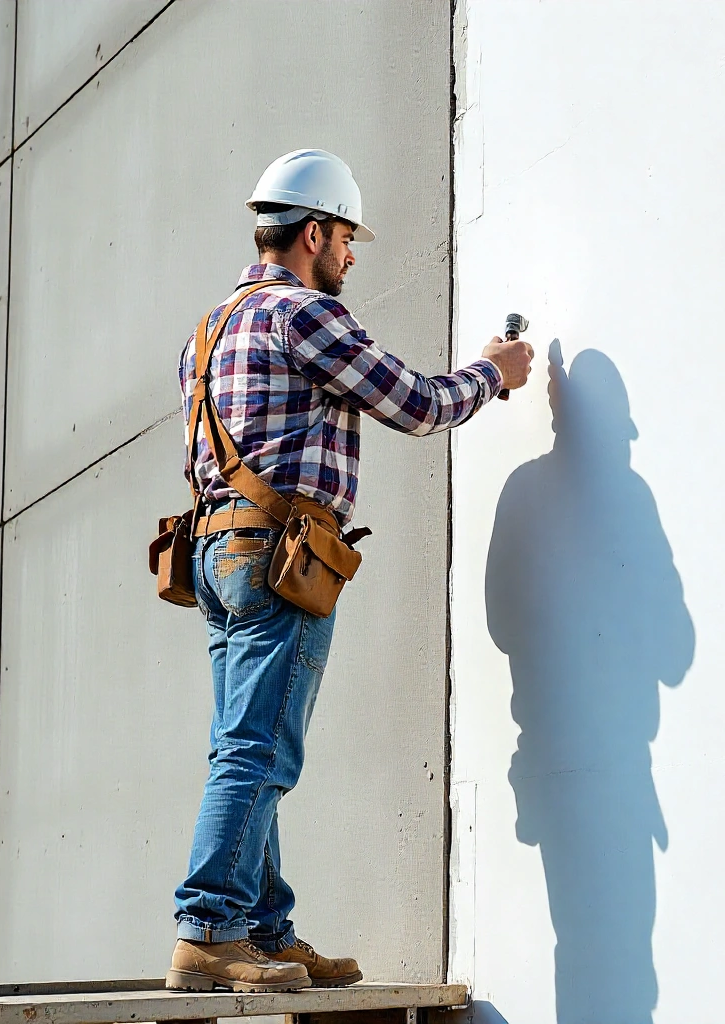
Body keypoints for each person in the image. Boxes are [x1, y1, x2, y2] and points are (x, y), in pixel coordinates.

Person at [166, 149, 533, 993]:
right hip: (278, 557)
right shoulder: (303, 315)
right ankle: (209, 929)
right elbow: (418, 404)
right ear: (314, 233)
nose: (351, 256)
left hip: (218, 551)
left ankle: (263, 931)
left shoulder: (207, 332)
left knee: (241, 741)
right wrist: (495, 372)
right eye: (345, 239)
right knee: (259, 749)